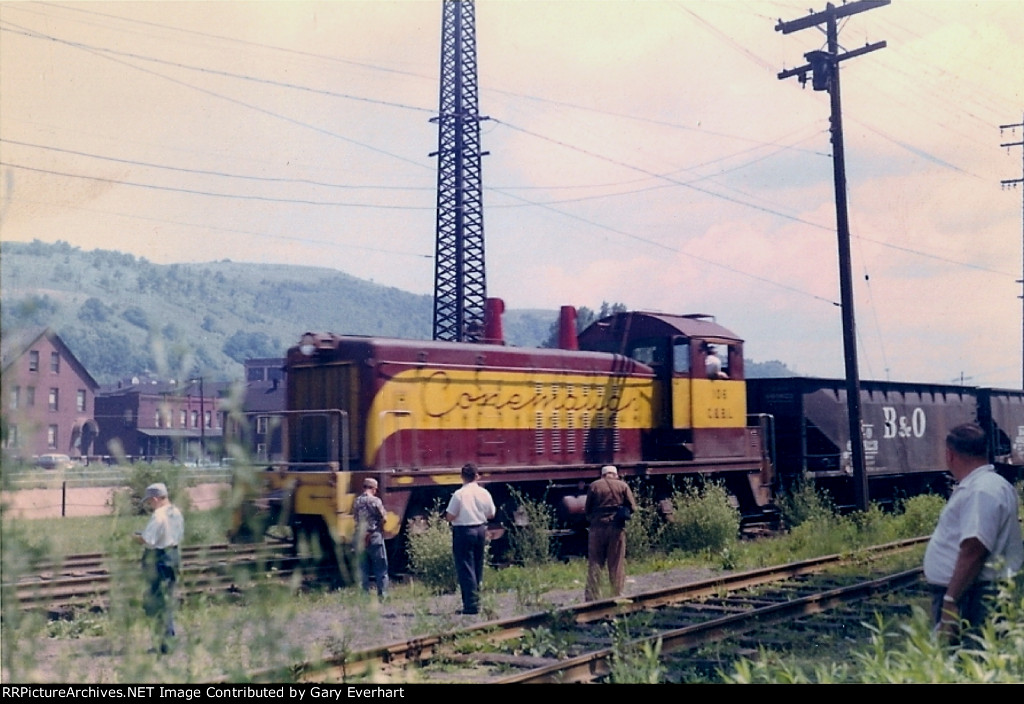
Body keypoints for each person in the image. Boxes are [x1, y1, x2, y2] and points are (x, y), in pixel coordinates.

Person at [923, 423, 1023, 641]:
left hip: (970, 598)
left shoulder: (981, 491)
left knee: (964, 662)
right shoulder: (993, 484)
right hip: (972, 593)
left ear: (950, 455)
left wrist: (950, 602)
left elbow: (974, 549)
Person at [134, 482, 184, 654]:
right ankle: (167, 640)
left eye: (149, 501)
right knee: (166, 600)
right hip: (173, 556)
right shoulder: (176, 512)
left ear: (155, 499)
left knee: (156, 602)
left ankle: (163, 644)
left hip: (158, 559)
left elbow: (148, 540)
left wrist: (135, 537)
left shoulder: (158, 515)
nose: (149, 505)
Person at [445, 463, 496, 615]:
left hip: (463, 531)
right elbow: (491, 513)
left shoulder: (459, 494)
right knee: (478, 566)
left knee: (466, 567)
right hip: (480, 529)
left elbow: (450, 515)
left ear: (462, 477)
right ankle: (477, 600)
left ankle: (471, 606)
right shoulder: (484, 493)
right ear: (477, 476)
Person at [584, 465, 638, 601]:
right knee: (616, 563)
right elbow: (632, 507)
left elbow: (587, 509)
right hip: (616, 528)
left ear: (603, 474)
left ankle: (592, 596)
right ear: (615, 474)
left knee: (595, 562)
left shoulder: (594, 486)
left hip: (597, 528)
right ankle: (617, 594)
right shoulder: (622, 486)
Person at [353, 477, 389, 599]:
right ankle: (382, 595)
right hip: (374, 536)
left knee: (363, 568)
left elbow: (355, 518)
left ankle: (364, 596)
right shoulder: (376, 501)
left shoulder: (357, 501)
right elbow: (384, 518)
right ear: (374, 489)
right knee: (381, 567)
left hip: (360, 537)